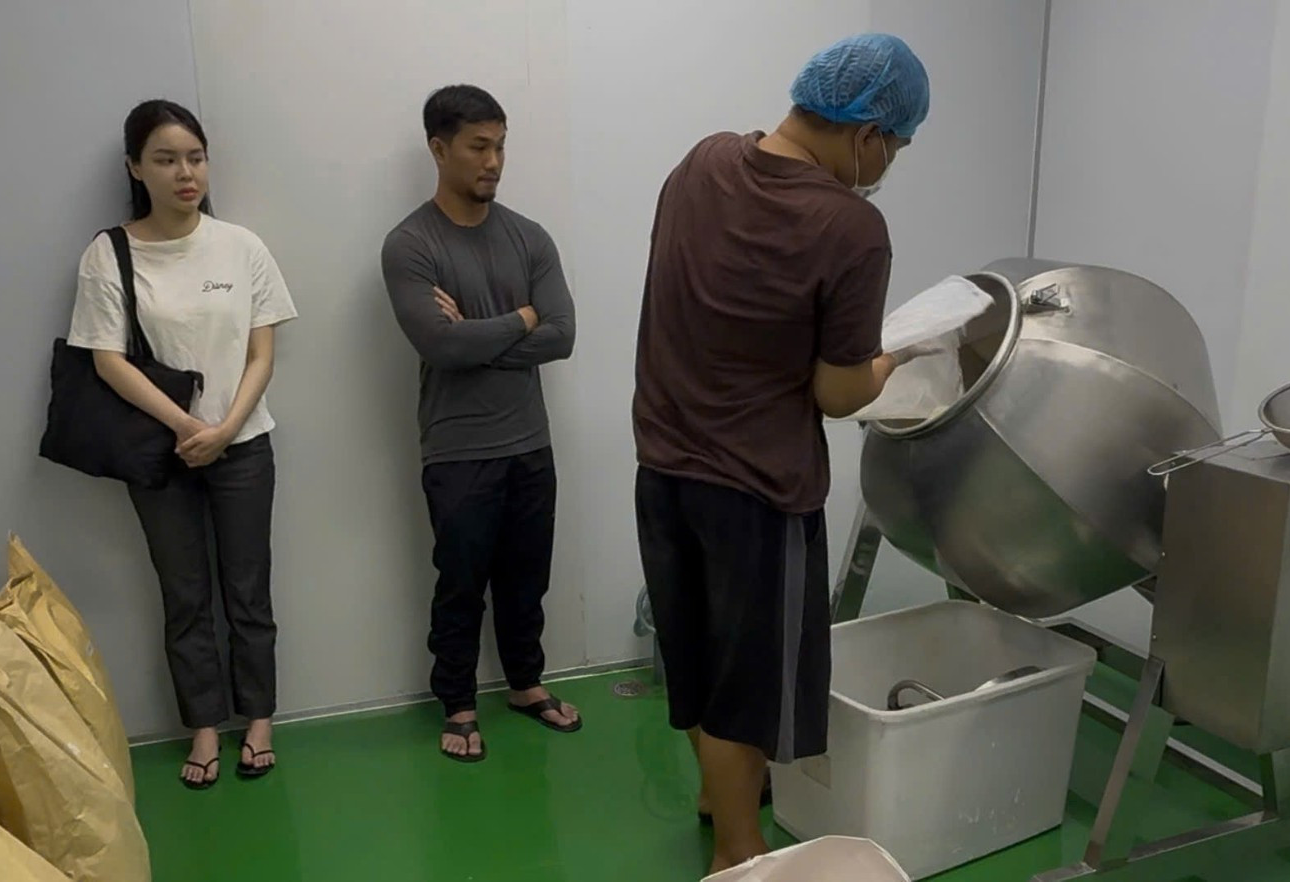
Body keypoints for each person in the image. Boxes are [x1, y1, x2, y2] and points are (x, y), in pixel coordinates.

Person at [630, 34, 930, 872]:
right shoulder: (850, 227)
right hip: (758, 489)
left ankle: (713, 795)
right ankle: (738, 851)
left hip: (664, 465)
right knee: (749, 678)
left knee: (693, 651)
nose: (889, 165)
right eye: (896, 146)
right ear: (867, 132)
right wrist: (895, 359)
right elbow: (837, 392)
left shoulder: (702, 162)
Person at [67, 99, 299, 789]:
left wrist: (224, 429)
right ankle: (202, 726)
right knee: (184, 594)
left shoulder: (242, 247)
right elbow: (107, 359)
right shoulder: (109, 253)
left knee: (249, 590)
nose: (184, 173)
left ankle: (258, 719)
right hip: (159, 453)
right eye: (166, 159)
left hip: (243, 445)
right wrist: (185, 427)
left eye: (195, 157)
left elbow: (262, 353)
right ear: (136, 168)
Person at [381, 84, 581, 763]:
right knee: (461, 584)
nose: (493, 161)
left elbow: (563, 335)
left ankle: (526, 684)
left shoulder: (530, 237)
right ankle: (459, 703)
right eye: (478, 147)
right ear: (439, 150)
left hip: (530, 442)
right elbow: (440, 346)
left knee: (527, 578)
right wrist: (521, 317)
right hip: (458, 449)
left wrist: (477, 333)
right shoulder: (410, 244)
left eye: (500, 146)